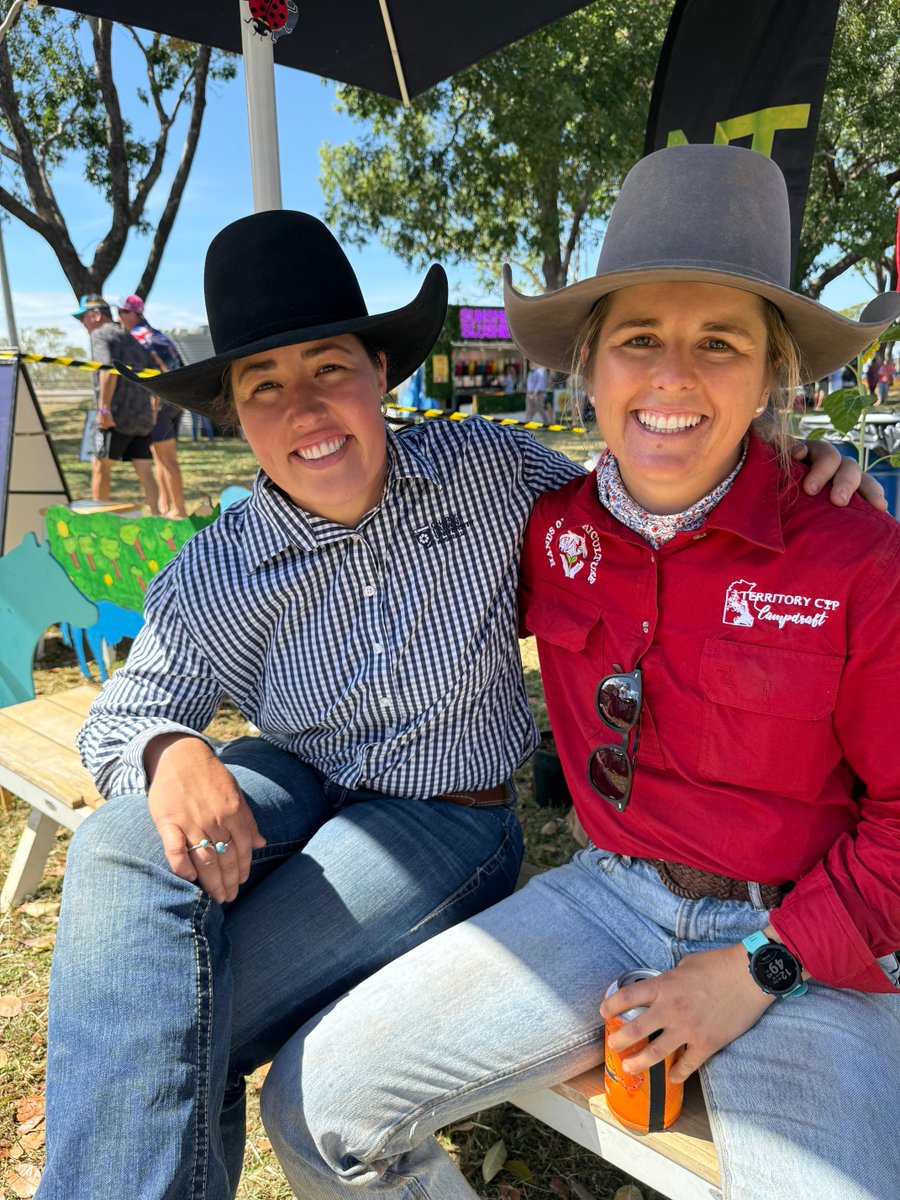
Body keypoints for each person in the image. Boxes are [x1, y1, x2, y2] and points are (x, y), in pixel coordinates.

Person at [40, 204, 873, 1200]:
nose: (306, 409)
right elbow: (125, 712)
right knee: (121, 845)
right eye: (265, 387)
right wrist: (171, 751)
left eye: (330, 369)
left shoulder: (486, 474)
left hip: (441, 819)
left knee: (186, 1028)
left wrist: (799, 474)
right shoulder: (217, 570)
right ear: (231, 414)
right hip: (306, 785)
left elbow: (655, 502)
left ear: (379, 372)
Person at [257, 146, 900, 1200]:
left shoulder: (857, 554)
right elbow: (389, 533)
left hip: (807, 947)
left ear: (774, 375)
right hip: (602, 901)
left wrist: (760, 969)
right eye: (639, 339)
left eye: (720, 344)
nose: (673, 378)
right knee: (316, 1106)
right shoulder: (546, 525)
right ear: (589, 367)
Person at [73, 294, 159, 511]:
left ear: (95, 314)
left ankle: (97, 523)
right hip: (141, 418)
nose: (82, 323)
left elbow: (108, 371)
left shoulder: (101, 335)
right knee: (145, 471)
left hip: (115, 417)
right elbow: (154, 374)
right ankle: (158, 517)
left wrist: (103, 409)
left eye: (83, 317)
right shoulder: (131, 337)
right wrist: (153, 409)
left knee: (100, 467)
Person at [117, 294, 188, 518]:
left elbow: (160, 371)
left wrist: (155, 403)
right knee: (159, 457)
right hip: (171, 401)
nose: (118, 318)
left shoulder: (141, 338)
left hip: (161, 403)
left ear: (133, 314)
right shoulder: (156, 335)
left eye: (121, 313)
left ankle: (179, 512)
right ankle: (166, 507)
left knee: (166, 459)